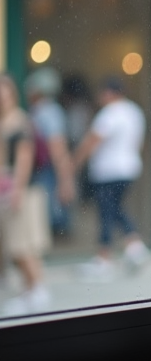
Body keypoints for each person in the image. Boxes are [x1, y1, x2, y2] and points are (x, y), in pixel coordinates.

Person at [73, 76, 149, 279]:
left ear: (109, 93)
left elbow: (92, 141)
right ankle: (134, 247)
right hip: (128, 168)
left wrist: (74, 163)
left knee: (108, 211)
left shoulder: (109, 114)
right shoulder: (134, 111)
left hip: (108, 171)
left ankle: (105, 257)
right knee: (114, 208)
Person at [0, 75, 52, 313]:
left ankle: (37, 289)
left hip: (24, 191)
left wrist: (18, 190)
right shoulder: (5, 121)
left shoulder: (20, 122)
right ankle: (30, 289)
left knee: (23, 245)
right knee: (18, 244)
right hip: (9, 189)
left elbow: (24, 158)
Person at [24, 67, 76, 235]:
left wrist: (65, 181)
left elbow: (57, 147)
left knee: (50, 217)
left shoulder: (49, 112)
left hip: (48, 171)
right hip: (40, 171)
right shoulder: (39, 111)